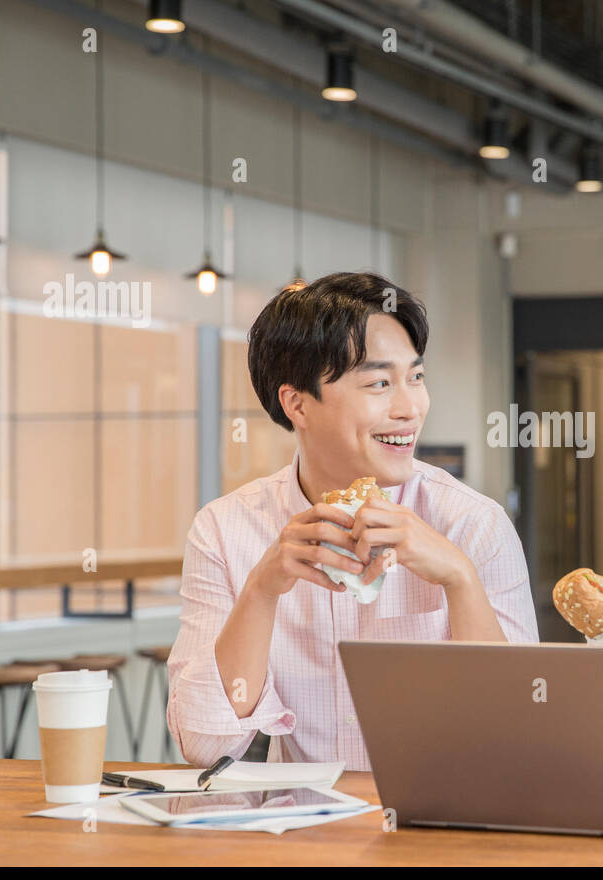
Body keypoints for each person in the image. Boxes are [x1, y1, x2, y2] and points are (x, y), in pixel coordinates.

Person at [168, 273, 539, 769]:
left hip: (437, 832)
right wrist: (261, 588)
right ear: (296, 403)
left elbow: (520, 735)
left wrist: (459, 578)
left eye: (417, 378)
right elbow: (203, 747)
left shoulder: (474, 525)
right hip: (299, 833)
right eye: (380, 384)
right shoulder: (225, 529)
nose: (410, 408)